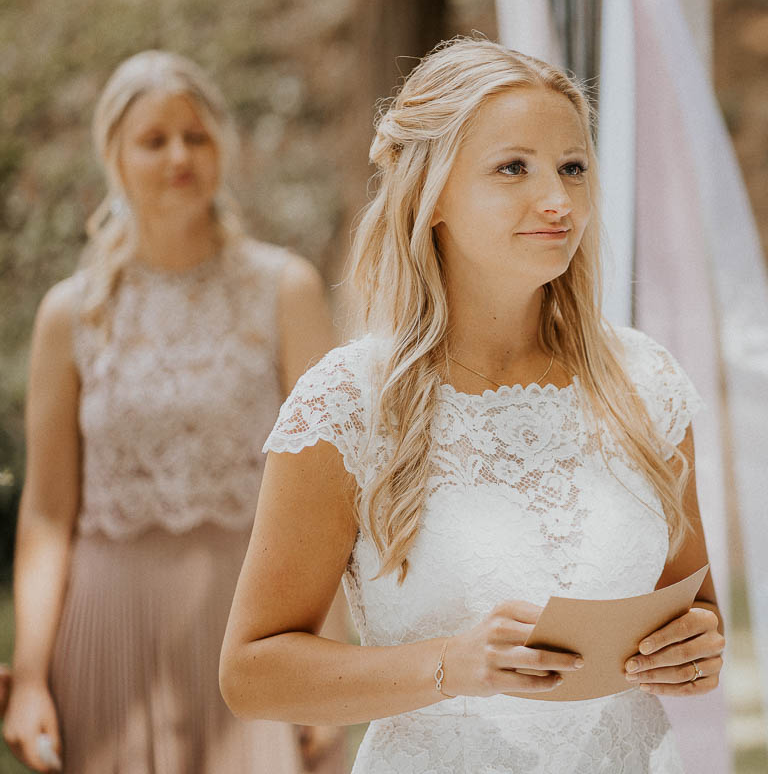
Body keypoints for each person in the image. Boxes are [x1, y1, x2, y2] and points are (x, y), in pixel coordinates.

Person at [218, 38, 724, 773]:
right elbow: (251, 673)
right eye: (513, 167)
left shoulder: (645, 384)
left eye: (572, 168)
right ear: (432, 194)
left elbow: (696, 613)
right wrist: (453, 664)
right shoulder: (349, 405)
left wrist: (697, 648)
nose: (557, 200)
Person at [2, 51, 345, 772]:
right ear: (115, 158)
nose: (178, 156)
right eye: (153, 140)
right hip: (105, 627)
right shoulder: (71, 314)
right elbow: (45, 513)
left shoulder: (286, 290)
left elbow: (330, 494)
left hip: (251, 621)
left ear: (222, 147)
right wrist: (30, 675)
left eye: (195, 136)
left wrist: (330, 657)